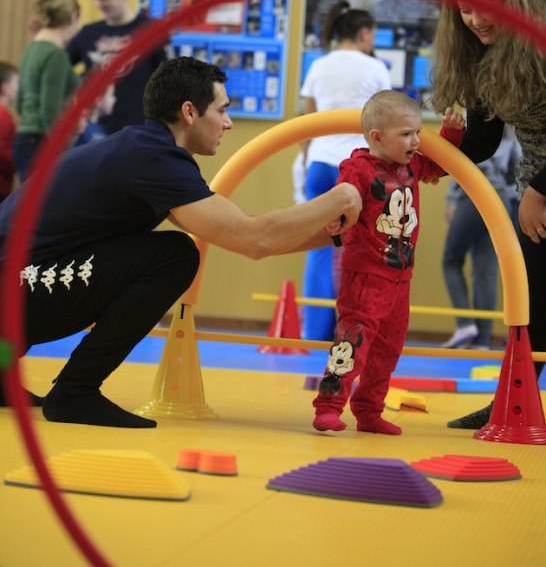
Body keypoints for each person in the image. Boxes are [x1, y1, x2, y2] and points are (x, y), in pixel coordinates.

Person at [0, 57, 362, 429]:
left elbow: (252, 240)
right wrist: (339, 198)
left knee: (153, 251)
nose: (228, 122)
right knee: (175, 256)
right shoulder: (155, 160)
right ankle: (75, 392)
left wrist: (336, 235)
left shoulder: (144, 151)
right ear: (189, 111)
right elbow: (254, 239)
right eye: (222, 110)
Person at [430, 0, 546, 444]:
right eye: (465, 9)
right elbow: (485, 140)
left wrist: (538, 193)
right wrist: (440, 150)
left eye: (486, 6)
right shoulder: (479, 47)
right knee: (534, 289)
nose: (476, 19)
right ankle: (513, 400)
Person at [312, 89, 465, 435]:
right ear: (377, 137)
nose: (415, 141)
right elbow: (342, 198)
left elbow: (440, 165)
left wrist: (451, 134)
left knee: (388, 349)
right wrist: (334, 217)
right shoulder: (357, 168)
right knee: (352, 343)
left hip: (400, 280)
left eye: (417, 133)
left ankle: (369, 410)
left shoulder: (413, 165)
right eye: (406, 134)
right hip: (365, 275)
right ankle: (329, 406)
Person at [299, 0, 391, 340]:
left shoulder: (319, 65)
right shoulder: (375, 68)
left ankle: (314, 334)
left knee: (319, 250)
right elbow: (388, 118)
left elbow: (307, 121)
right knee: (365, 250)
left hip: (320, 164)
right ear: (365, 33)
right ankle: (354, 331)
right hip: (357, 170)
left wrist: (304, 162)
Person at [440, 127, 521, 349]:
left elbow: (461, 163)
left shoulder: (477, 125)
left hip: (475, 196)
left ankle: (465, 324)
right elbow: (517, 173)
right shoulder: (511, 131)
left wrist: (452, 199)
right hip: (502, 199)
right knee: (485, 271)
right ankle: (482, 340)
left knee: (450, 261)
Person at [67, 0, 170, 134]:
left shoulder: (150, 30)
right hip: (95, 131)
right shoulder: (87, 33)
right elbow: (61, 67)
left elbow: (169, 77)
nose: (99, 4)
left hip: (138, 128)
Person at [13, 0, 80, 182]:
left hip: (24, 138)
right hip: (41, 142)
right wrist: (66, 148)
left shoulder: (30, 49)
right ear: (73, 18)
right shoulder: (55, 55)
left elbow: (20, 102)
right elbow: (49, 111)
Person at [0, 63, 18, 202]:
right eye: (17, 83)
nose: (20, 89)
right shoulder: (4, 116)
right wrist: (16, 161)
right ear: (5, 88)